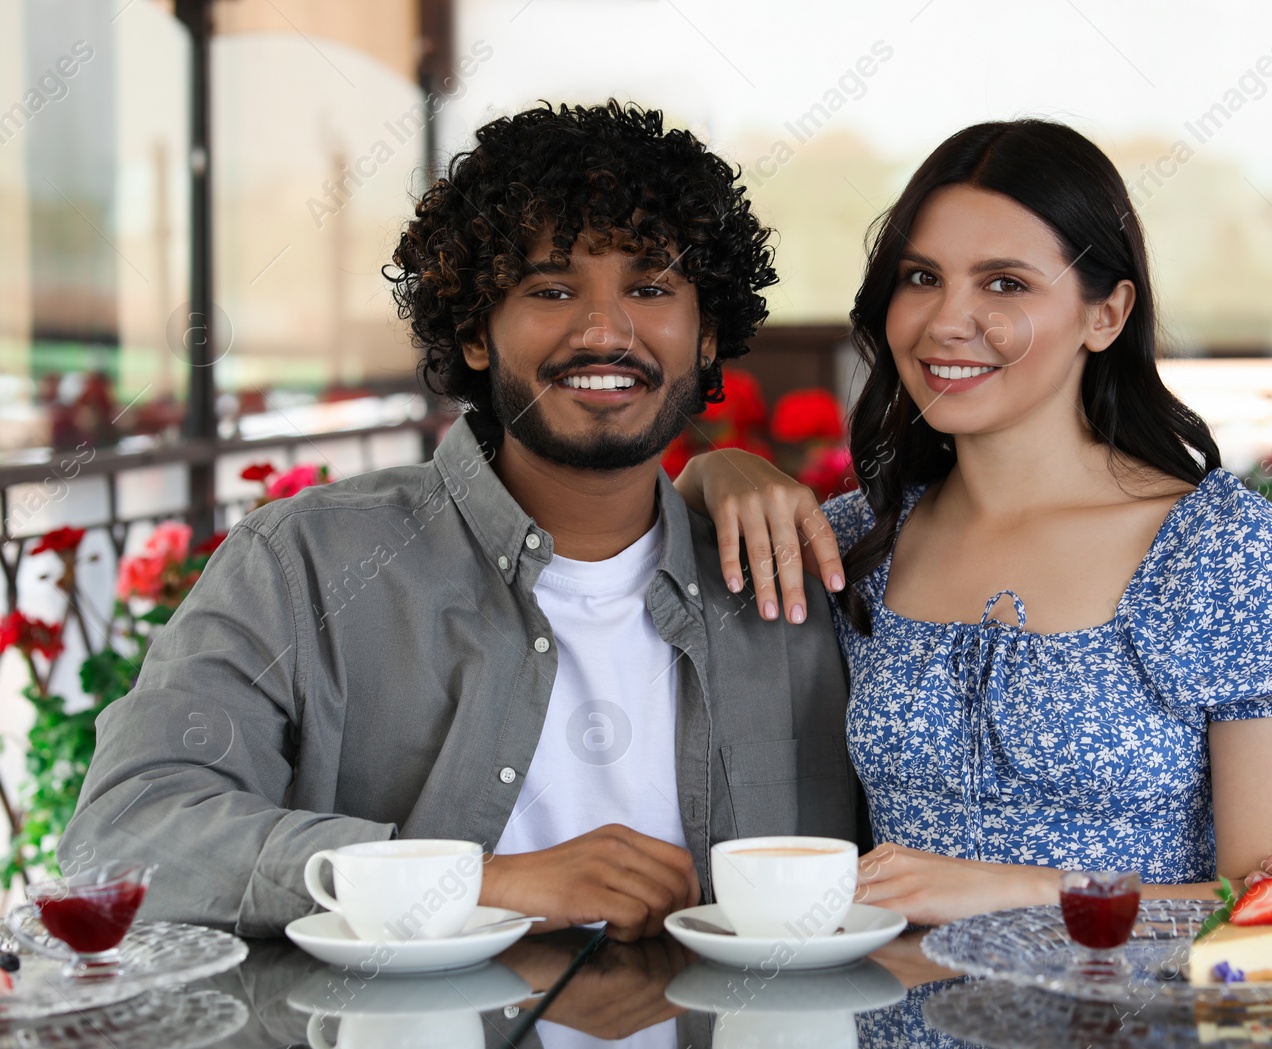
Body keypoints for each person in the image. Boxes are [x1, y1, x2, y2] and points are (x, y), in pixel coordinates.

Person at [62, 102, 860, 954]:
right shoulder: (305, 563)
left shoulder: (794, 581)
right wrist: (470, 882)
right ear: (477, 332)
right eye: (551, 289)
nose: (605, 330)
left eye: (651, 287)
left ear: (706, 339)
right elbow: (124, 836)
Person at [676, 117, 1272, 922]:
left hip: (1129, 1039)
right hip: (883, 1032)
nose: (946, 321)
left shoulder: (1221, 550)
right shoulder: (853, 545)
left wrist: (1017, 891)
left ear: (1106, 314)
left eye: (1005, 283)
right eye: (920, 277)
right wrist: (712, 468)